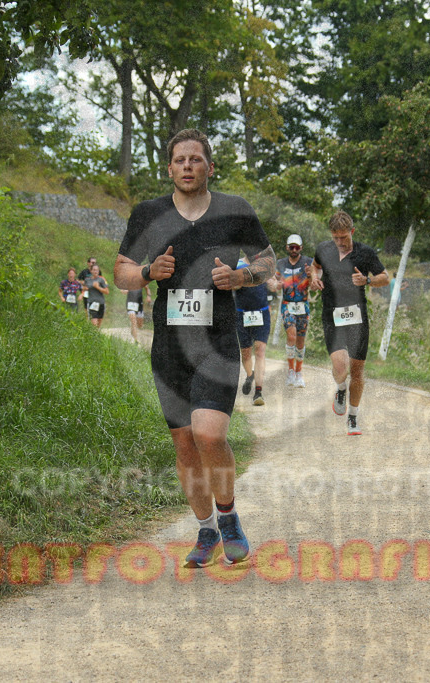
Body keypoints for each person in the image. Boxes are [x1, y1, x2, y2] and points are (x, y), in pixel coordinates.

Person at [114, 129, 274, 568]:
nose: (188, 166)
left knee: (209, 434)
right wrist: (148, 272)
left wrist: (240, 277)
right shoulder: (149, 214)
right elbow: (121, 271)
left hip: (218, 341)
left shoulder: (234, 210)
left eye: (196, 159)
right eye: (180, 160)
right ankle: (206, 531)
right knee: (185, 444)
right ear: (169, 168)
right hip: (170, 348)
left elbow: (267, 261)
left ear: (210, 167)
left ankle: (229, 519)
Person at [309, 210, 389, 436]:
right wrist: (314, 278)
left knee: (357, 370)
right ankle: (340, 388)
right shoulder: (324, 249)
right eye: (336, 237)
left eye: (344, 237)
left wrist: (367, 280)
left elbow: (385, 277)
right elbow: (315, 266)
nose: (340, 242)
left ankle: (353, 417)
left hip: (356, 316)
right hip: (332, 314)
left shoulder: (366, 253)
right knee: (340, 368)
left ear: (352, 231)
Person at [268, 233, 313, 388]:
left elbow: (314, 282)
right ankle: (290, 371)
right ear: (287, 247)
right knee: (291, 335)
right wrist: (275, 285)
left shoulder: (308, 262)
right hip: (287, 305)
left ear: (301, 248)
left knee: (300, 340)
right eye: (291, 247)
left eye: (297, 247)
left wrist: (311, 276)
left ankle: (299, 372)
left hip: (303, 305)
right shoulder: (281, 263)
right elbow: (273, 281)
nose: (294, 250)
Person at [234, 257, 270, 406]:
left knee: (260, 351)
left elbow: (274, 283)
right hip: (242, 314)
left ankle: (258, 392)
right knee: (246, 353)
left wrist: (275, 284)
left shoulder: (266, 264)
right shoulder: (238, 264)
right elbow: (233, 286)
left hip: (262, 313)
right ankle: (250, 376)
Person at [84, 263, 108, 328]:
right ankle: (93, 332)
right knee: (94, 323)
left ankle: (97, 333)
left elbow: (107, 291)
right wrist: (84, 289)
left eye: (97, 270)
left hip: (101, 303)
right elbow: (84, 288)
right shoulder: (87, 280)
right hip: (92, 303)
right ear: (91, 271)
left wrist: (98, 287)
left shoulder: (101, 280)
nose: (95, 271)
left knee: (98, 324)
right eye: (94, 270)